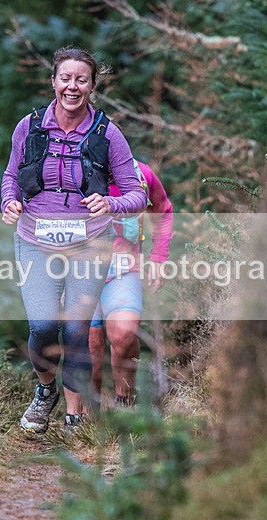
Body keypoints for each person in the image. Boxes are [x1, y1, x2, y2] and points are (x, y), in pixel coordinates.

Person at [0, 47, 147, 433]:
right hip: (35, 239)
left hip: (89, 242)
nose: (72, 86)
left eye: (81, 79)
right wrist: (9, 200)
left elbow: (138, 194)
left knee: (78, 331)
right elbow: (11, 175)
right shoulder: (29, 127)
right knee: (44, 326)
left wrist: (110, 202)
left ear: (92, 87)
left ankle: (74, 418)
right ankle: (45, 391)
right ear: (53, 81)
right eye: (66, 78)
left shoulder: (107, 133)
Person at [90, 160, 173, 407]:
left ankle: (124, 401)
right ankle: (87, 416)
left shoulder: (141, 175)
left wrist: (158, 258)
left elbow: (163, 211)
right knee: (90, 347)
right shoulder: (69, 167)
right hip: (78, 270)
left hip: (123, 267)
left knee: (125, 334)